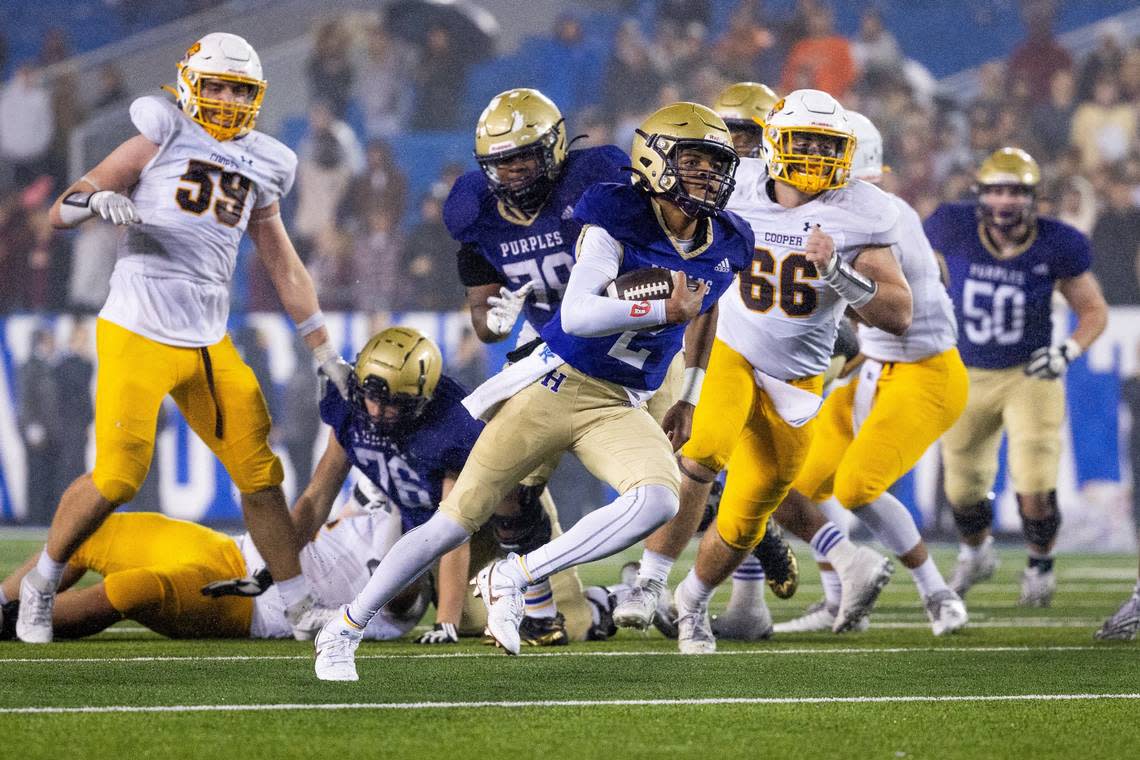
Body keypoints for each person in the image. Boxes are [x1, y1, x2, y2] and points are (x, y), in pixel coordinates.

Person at [314, 102, 752, 680]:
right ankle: (343, 630)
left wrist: (691, 391)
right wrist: (657, 305)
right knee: (452, 522)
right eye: (691, 161)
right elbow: (576, 314)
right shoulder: (614, 214)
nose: (706, 175)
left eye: (714, 164)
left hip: (618, 402)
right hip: (553, 382)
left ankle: (515, 578)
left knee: (660, 498)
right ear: (655, 162)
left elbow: (707, 308)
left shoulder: (728, 239)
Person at [16, 33, 352, 645]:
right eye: (216, 86)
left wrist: (322, 347)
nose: (225, 99)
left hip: (206, 338)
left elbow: (283, 263)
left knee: (260, 474)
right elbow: (63, 206)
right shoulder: (163, 129)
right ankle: (43, 579)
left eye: (239, 90)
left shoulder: (268, 159)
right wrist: (97, 201)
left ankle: (299, 605)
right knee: (118, 475)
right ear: (191, 86)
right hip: (137, 327)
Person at [615, 90, 911, 653]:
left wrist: (840, 273)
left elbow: (897, 315)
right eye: (806, 141)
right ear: (774, 139)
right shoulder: (738, 186)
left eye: (830, 144)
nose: (819, 155)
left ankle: (693, 603)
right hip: (732, 348)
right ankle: (650, 580)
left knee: (748, 519)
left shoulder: (862, 209)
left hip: (798, 383)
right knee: (701, 456)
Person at [444, 87, 655, 642]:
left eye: (523, 156)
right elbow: (486, 324)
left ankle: (660, 580)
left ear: (556, 148)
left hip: (632, 346)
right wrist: (500, 312)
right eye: (501, 161)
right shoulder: (475, 214)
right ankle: (544, 607)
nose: (513, 171)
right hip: (556, 356)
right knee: (509, 487)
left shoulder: (598, 182)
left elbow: (651, 252)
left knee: (684, 467)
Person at [770, 111, 968, 637]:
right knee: (799, 483)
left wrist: (824, 281)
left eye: (824, 153)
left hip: (924, 368)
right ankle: (840, 601)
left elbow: (891, 314)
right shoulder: (838, 210)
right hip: (873, 366)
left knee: (858, 486)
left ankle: (938, 593)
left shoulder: (879, 215)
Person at [294, 326, 595, 647]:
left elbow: (456, 525)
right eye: (372, 398)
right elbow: (317, 495)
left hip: (506, 508)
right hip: (443, 526)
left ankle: (602, 607)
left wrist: (443, 623)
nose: (378, 412)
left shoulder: (451, 423)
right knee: (470, 619)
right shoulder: (350, 408)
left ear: (421, 397)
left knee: (571, 624)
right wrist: (283, 573)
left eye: (393, 402)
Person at [926, 147, 1108, 607]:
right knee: (961, 490)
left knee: (1034, 484)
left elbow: (1093, 311)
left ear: (1032, 198)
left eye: (1016, 192)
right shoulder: (953, 226)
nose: (1006, 201)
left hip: (1031, 374)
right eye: (997, 191)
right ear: (981, 196)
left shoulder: (1056, 242)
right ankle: (976, 553)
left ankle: (1040, 567)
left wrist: (1067, 351)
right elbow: (918, 271)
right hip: (968, 372)